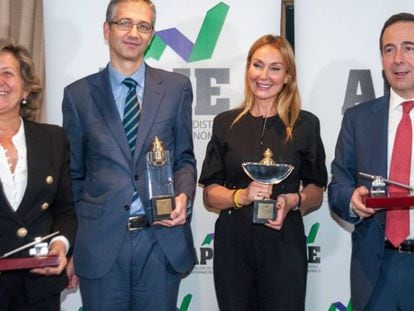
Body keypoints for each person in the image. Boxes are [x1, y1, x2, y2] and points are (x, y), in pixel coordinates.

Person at [62, 0, 197, 310]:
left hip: (160, 240)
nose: (134, 32)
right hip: (101, 244)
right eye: (125, 23)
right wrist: (74, 242)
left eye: (143, 26)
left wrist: (183, 197)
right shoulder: (78, 95)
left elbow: (184, 160)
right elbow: (74, 175)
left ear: (151, 36)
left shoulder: (176, 88)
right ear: (107, 29)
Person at [198, 34, 327, 311]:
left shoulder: (306, 125)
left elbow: (316, 189)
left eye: (275, 68)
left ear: (288, 76)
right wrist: (241, 196)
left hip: (284, 244)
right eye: (257, 65)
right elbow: (210, 195)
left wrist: (295, 201)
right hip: (234, 246)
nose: (263, 75)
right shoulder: (225, 124)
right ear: (248, 69)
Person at [329, 12, 414, 311]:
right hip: (376, 271)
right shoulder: (358, 119)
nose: (398, 59)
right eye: (389, 50)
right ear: (381, 59)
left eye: (409, 47)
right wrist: (351, 199)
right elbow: (337, 185)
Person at [0, 40, 76, 310]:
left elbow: (66, 209)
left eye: (7, 73)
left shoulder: (53, 139)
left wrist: (61, 245)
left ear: (26, 88)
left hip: (39, 288)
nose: (0, 81)